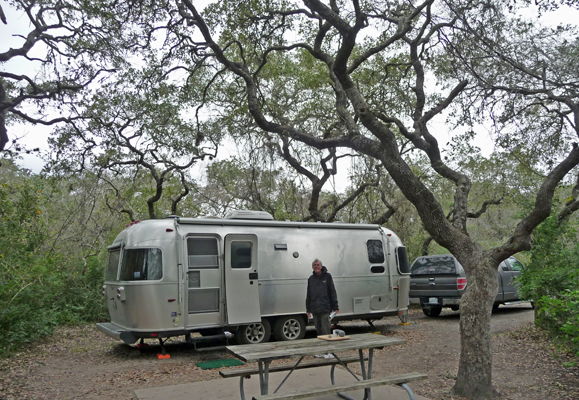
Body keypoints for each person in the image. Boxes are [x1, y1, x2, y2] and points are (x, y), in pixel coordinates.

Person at [306, 258, 339, 338]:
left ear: (321, 266)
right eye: (314, 265)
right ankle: (322, 350)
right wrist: (308, 309)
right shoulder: (310, 279)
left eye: (318, 265)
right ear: (312, 267)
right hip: (315, 309)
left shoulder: (327, 276)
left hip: (325, 308)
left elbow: (332, 292)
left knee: (326, 330)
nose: (316, 266)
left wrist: (335, 307)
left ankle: (329, 350)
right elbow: (308, 295)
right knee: (319, 331)